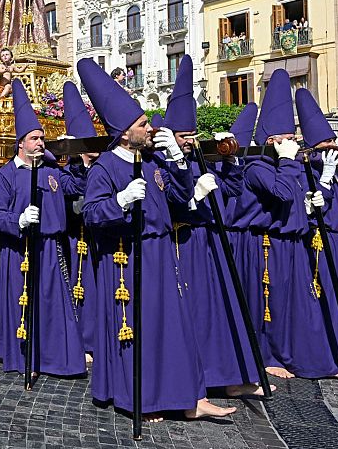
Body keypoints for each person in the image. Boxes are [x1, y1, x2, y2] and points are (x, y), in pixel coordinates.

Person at [77, 58, 235, 421]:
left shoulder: (151, 162)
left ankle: (190, 397)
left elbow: (179, 197)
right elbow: (91, 214)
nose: (150, 128)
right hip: (131, 257)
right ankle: (144, 398)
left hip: (163, 253)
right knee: (143, 329)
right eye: (143, 124)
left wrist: (178, 161)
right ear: (124, 131)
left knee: (175, 326)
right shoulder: (105, 168)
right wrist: (119, 201)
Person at [161, 57, 266, 396]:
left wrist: (231, 161)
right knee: (195, 311)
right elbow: (167, 203)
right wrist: (193, 195)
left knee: (217, 308)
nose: (190, 141)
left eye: (192, 135)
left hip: (208, 241)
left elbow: (232, 189)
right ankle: (199, 378)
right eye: (184, 135)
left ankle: (226, 376)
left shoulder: (197, 157)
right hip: (183, 241)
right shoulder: (161, 162)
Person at [232, 69, 338, 379]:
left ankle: (307, 357)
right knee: (269, 303)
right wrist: (287, 161)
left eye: (293, 140)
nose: (293, 144)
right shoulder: (257, 167)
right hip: (265, 244)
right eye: (286, 139)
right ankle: (268, 356)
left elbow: (295, 197)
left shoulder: (287, 164)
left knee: (299, 304)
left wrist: (310, 204)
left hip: (291, 244)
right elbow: (282, 191)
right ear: (271, 141)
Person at [0, 80, 86, 377]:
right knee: (23, 303)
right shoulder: (6, 175)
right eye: (34, 138)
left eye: (42, 138)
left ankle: (56, 357)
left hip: (51, 249)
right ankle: (24, 358)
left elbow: (77, 185)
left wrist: (79, 158)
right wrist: (17, 220)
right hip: (20, 250)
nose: (40, 143)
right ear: (21, 143)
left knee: (53, 304)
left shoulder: (50, 171)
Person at [295, 89, 338, 361]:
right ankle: (337, 352)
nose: (332, 146)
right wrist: (325, 178)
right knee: (332, 296)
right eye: (326, 142)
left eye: (333, 140)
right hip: (323, 242)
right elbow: (313, 204)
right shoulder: (306, 170)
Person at [61, 81, 100, 359]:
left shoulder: (105, 165)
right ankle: (82, 339)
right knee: (79, 287)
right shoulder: (66, 171)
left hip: (100, 237)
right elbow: (73, 193)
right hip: (76, 238)